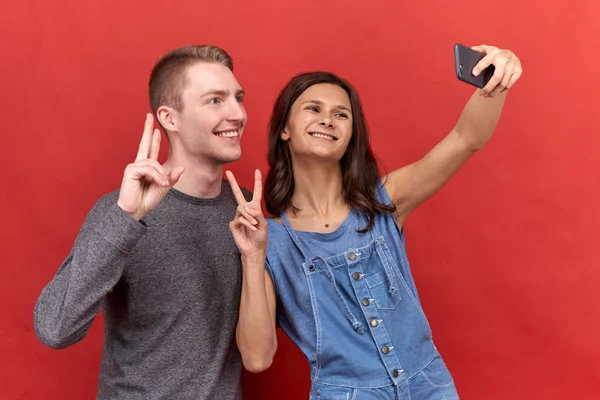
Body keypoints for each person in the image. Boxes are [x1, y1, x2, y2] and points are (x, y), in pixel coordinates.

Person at [226, 44, 522, 398]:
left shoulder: (385, 201)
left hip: (431, 387)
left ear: (350, 138)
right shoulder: (267, 241)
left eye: (341, 114)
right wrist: (253, 256)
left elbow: (465, 139)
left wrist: (498, 78)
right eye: (313, 109)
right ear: (285, 129)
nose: (327, 119)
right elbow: (257, 358)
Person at [34, 45, 251, 400]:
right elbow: (54, 329)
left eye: (238, 98)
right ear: (170, 118)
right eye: (215, 100)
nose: (237, 113)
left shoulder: (246, 213)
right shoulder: (121, 212)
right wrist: (125, 220)